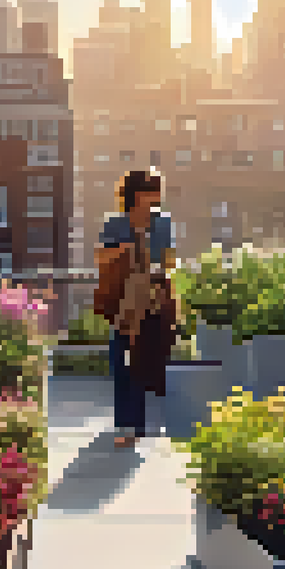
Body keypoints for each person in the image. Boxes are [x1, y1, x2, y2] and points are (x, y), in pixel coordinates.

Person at [93, 169, 178, 449]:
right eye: (152, 191)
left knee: (140, 362)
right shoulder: (116, 224)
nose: (156, 197)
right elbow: (100, 257)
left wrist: (162, 279)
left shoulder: (163, 224)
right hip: (122, 300)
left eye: (157, 191)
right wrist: (127, 248)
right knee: (120, 361)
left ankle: (136, 426)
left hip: (151, 297)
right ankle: (123, 424)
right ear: (136, 194)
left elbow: (169, 261)